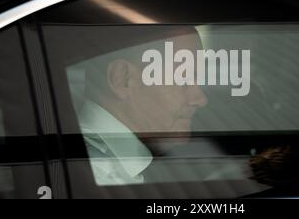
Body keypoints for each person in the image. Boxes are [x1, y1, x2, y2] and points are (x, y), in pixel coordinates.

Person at [74, 27, 208, 185]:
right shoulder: (97, 175)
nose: (201, 99)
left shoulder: (98, 166)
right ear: (123, 80)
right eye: (183, 79)